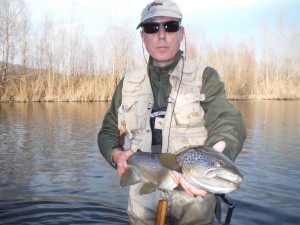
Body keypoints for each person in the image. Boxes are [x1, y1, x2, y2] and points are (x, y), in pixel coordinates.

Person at [98, 0, 246, 224]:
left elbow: (228, 121)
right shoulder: (127, 84)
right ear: (143, 36)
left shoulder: (205, 77)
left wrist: (218, 153)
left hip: (194, 202)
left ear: (181, 33)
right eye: (151, 27)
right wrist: (117, 155)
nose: (161, 34)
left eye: (170, 26)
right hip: (142, 199)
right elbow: (109, 131)